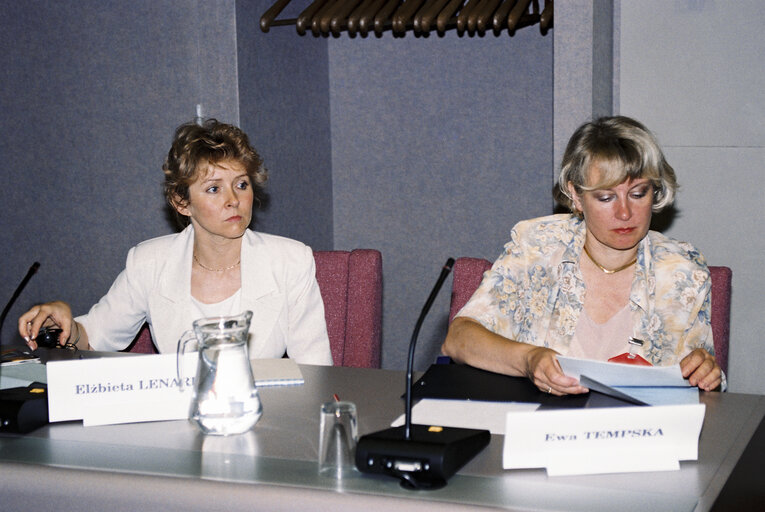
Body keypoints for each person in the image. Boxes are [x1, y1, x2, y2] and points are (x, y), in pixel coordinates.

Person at [442, 116, 723, 394]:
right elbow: (458, 339)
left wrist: (705, 372)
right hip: (541, 427)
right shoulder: (537, 246)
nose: (624, 213)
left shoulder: (682, 271)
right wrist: (529, 360)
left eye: (638, 194)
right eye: (606, 197)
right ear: (576, 195)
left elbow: (696, 382)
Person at [19, 119, 333, 365]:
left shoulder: (291, 261)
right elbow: (94, 336)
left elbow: (317, 372)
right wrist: (64, 323)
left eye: (241, 184)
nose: (234, 200)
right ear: (182, 202)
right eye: (213, 189)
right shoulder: (148, 263)